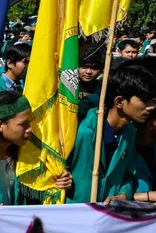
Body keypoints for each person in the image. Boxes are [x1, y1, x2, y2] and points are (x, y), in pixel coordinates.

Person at [66, 63, 156, 203]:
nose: (151, 107)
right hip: (77, 210)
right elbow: (57, 172)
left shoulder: (130, 132)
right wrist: (61, 180)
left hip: (108, 213)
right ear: (119, 102)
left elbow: (128, 174)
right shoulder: (83, 131)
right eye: (145, 100)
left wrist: (124, 193)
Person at [77, 49, 104, 121]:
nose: (88, 72)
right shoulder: (70, 86)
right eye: (84, 67)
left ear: (100, 71)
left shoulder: (102, 89)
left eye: (93, 68)